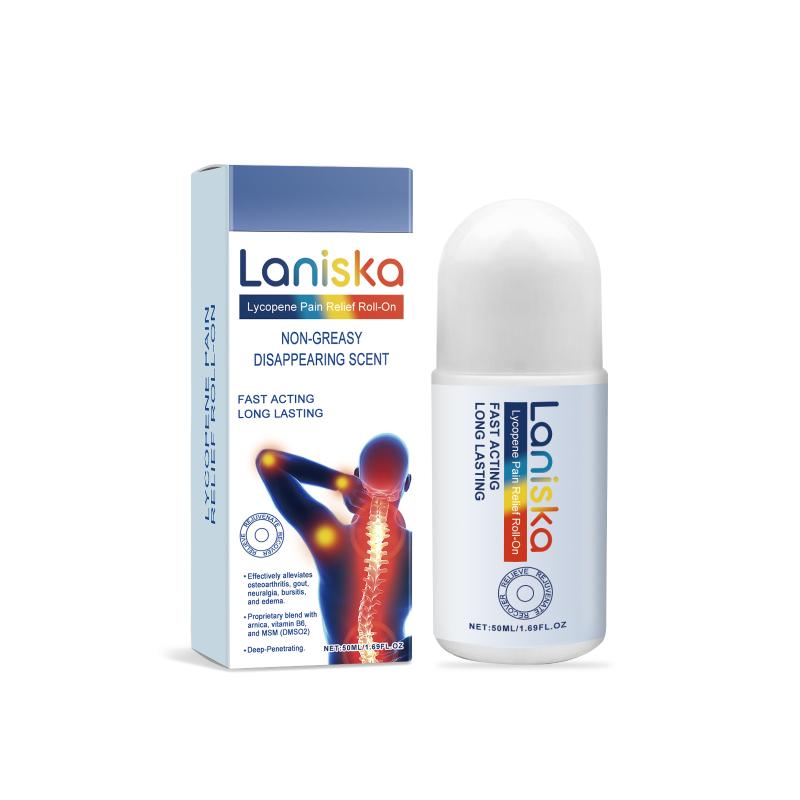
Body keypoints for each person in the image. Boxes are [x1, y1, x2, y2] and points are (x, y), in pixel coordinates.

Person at [256, 434, 412, 664]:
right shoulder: (414, 552)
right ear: (406, 484)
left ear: (357, 476)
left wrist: (339, 482)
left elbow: (268, 462)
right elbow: (268, 462)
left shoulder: (330, 540)